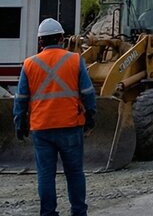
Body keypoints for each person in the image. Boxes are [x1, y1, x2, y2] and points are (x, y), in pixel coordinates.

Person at [13, 18, 96, 216]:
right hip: (70, 126)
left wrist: (19, 124)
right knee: (75, 173)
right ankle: (78, 211)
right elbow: (88, 93)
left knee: (45, 175)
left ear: (40, 42)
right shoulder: (75, 60)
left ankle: (48, 213)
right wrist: (91, 117)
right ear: (61, 38)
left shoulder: (29, 64)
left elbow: (21, 99)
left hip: (41, 129)